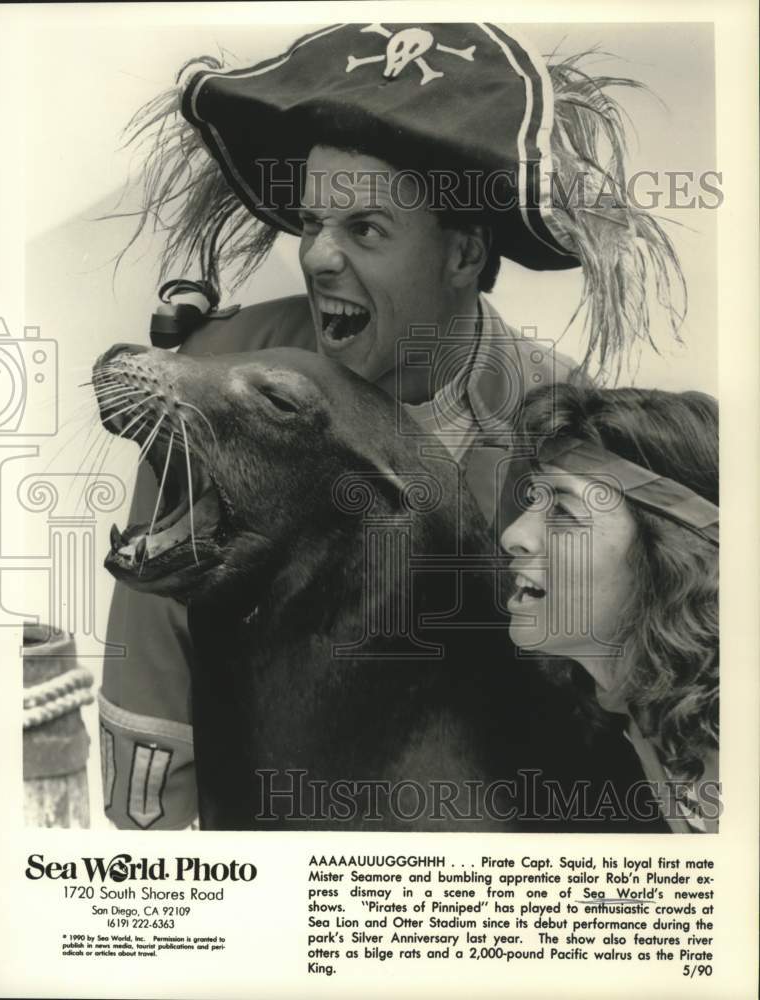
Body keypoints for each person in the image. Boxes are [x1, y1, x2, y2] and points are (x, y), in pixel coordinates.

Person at [98, 23, 685, 829]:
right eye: (311, 223)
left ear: (464, 256)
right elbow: (152, 664)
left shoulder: (558, 422)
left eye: (365, 229)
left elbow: (614, 694)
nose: (316, 258)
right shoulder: (221, 369)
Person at [501, 384, 719, 832]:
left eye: (562, 511)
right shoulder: (642, 723)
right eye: (531, 502)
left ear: (665, 558)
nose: (513, 535)